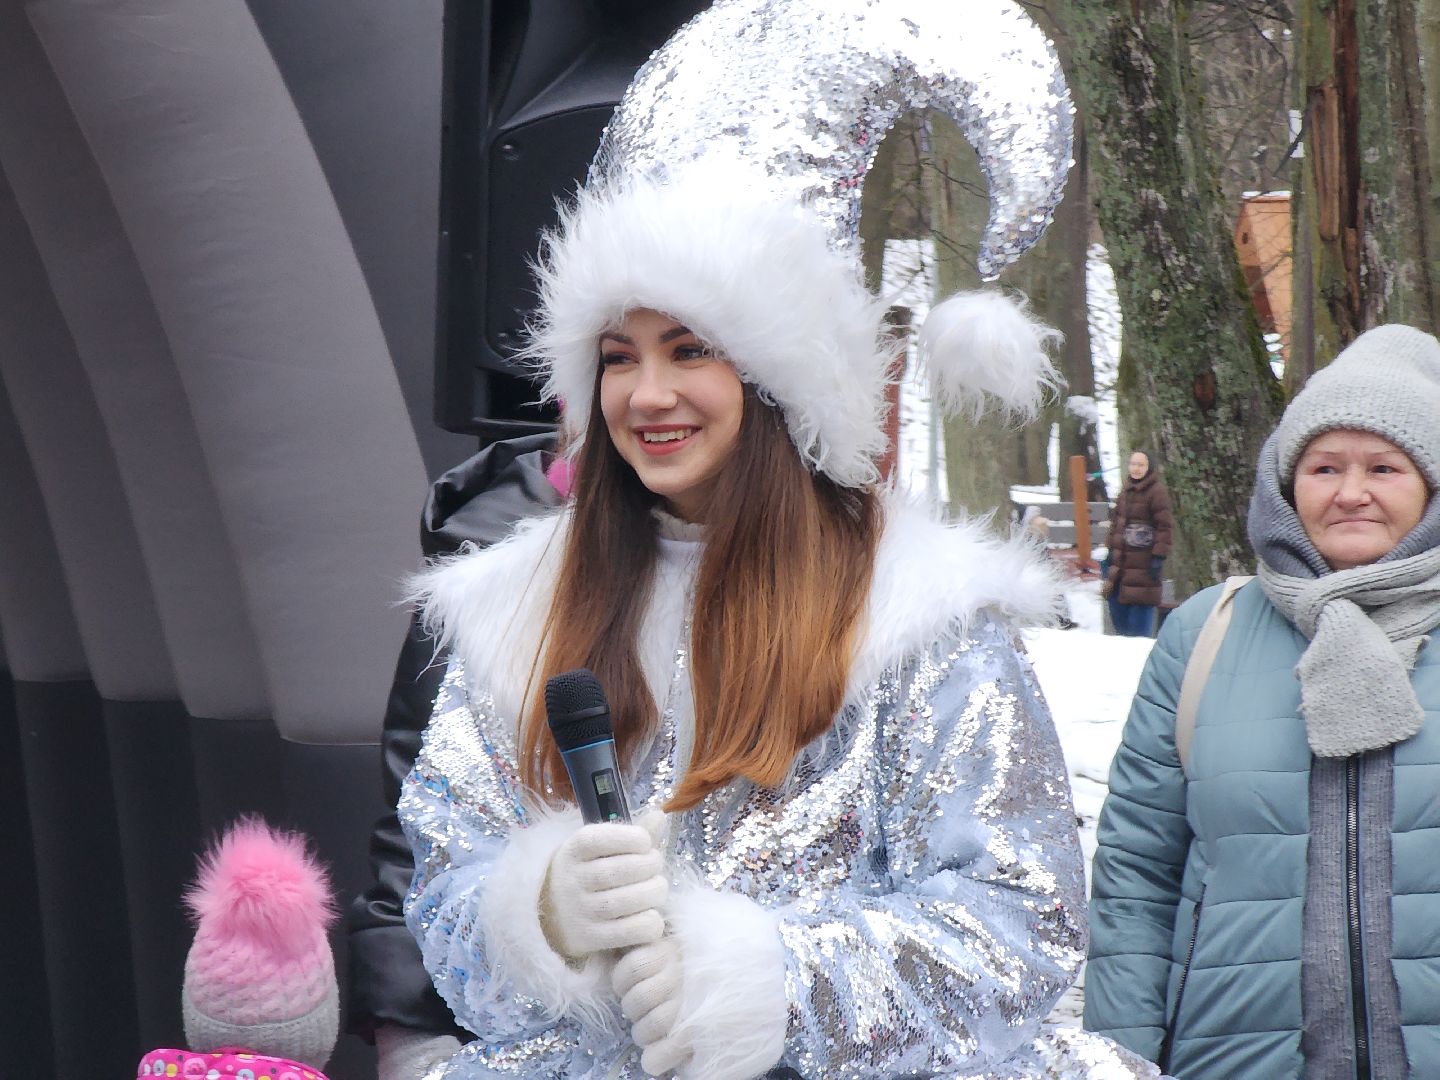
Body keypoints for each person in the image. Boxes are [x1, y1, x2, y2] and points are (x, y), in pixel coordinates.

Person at [393, 165, 1159, 1080]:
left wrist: (767, 985)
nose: (647, 394)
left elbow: (1019, 921)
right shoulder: (514, 610)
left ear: (775, 376)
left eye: (688, 350)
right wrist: (542, 915)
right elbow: (442, 896)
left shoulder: (916, 611)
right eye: (619, 356)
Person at [1085, 324, 1440, 1078]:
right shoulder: (1203, 636)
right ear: (1286, 485)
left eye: (1384, 466)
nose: (1351, 492)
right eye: (1323, 467)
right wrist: (1120, 1059)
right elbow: (1136, 877)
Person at [344, 432, 565, 1080]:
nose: (651, 396)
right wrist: (412, 1039)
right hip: (508, 1029)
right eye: (618, 360)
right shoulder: (493, 565)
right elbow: (421, 813)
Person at [1104, 451, 1173, 637]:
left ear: (1148, 468)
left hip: (1144, 565)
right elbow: (1115, 524)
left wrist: (1158, 556)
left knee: (1139, 622)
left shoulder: (1157, 492)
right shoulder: (1125, 490)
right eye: (1133, 464)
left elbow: (1164, 527)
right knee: (1118, 616)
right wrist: (1111, 547)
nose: (1136, 468)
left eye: (1140, 465)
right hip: (1120, 567)